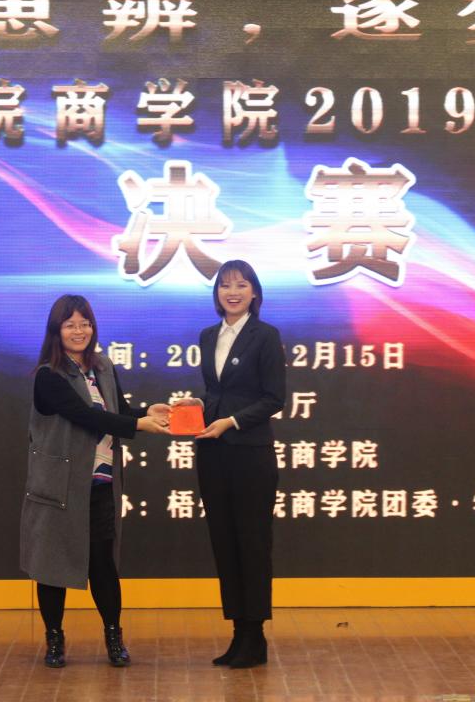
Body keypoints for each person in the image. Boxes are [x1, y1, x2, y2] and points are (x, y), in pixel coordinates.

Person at [19, 294, 170, 669]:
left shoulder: (103, 367)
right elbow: (85, 416)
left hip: (99, 484)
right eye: (70, 324)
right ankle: (55, 640)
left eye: (85, 323)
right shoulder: (48, 376)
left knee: (103, 565)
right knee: (51, 568)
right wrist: (139, 425)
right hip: (58, 486)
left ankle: (114, 637)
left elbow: (116, 411)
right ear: (56, 330)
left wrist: (145, 412)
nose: (79, 331)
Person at [194, 260, 286, 668]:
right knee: (224, 542)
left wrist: (230, 421)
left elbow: (274, 398)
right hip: (213, 453)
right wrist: (198, 406)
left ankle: (255, 635)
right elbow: (217, 391)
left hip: (250, 452)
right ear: (217, 293)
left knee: (252, 542)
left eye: (241, 285)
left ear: (254, 292)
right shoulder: (207, 336)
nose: (232, 292)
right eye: (225, 285)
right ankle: (237, 633)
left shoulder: (265, 336)